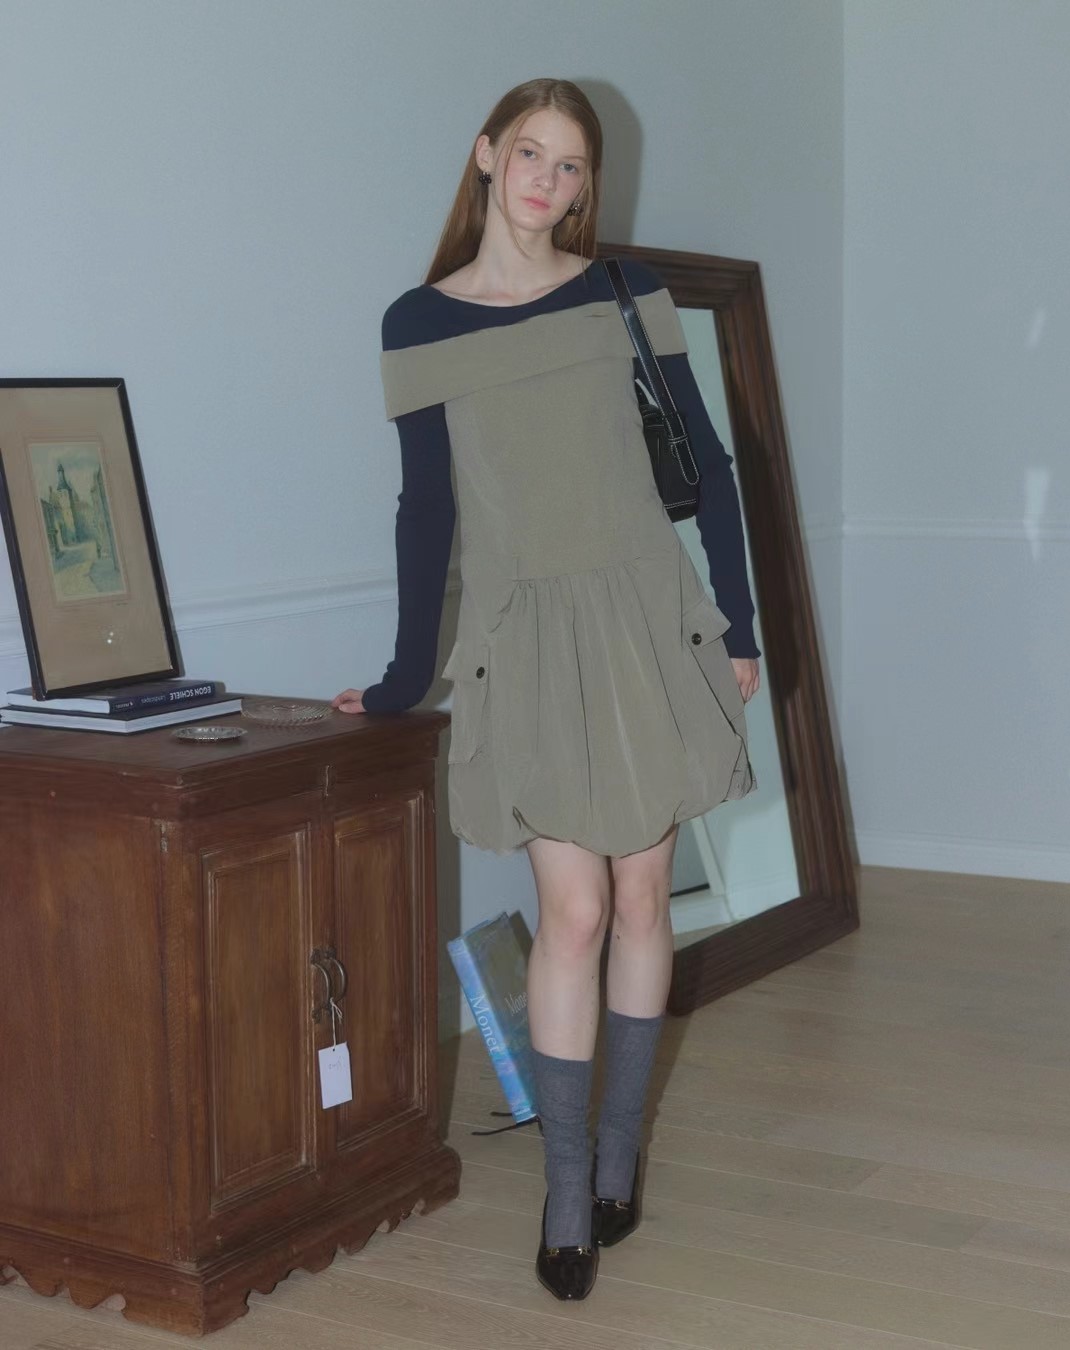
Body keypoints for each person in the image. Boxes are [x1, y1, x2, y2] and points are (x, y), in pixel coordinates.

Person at [332, 77, 761, 1302]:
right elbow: (427, 510)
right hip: (523, 636)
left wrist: (735, 621)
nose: (550, 183)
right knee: (571, 912)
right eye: (532, 154)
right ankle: (568, 1186)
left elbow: (706, 462)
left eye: (572, 166)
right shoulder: (419, 321)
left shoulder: (623, 293)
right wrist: (404, 677)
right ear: (485, 156)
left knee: (642, 900)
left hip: (643, 619)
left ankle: (620, 1152)